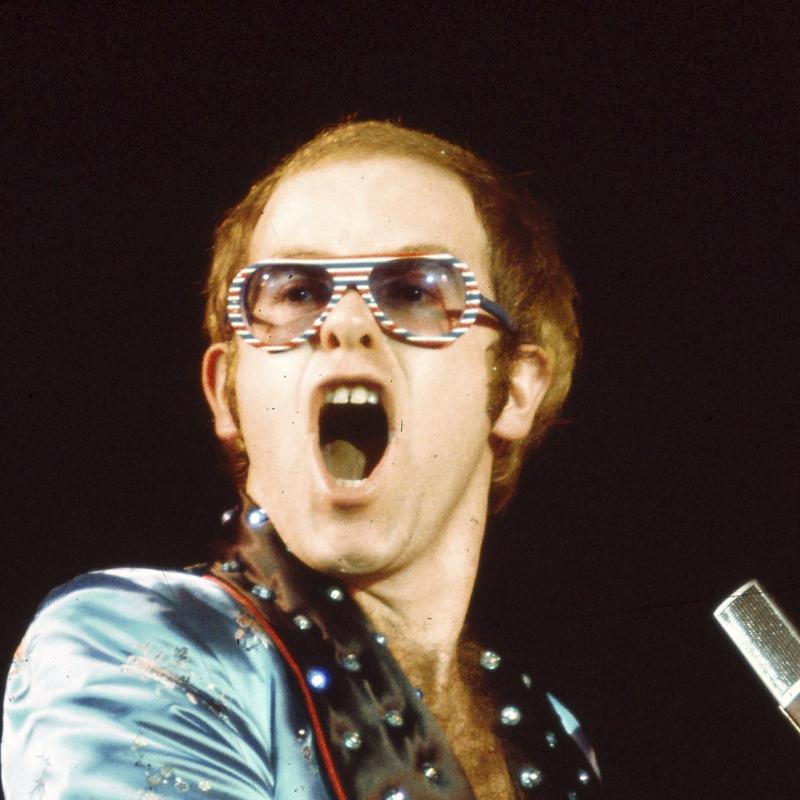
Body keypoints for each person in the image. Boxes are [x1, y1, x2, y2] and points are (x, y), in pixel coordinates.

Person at [2, 120, 600, 798]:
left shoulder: (551, 739)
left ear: (516, 390)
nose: (346, 322)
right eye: (296, 293)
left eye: (413, 291)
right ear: (226, 393)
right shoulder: (131, 648)